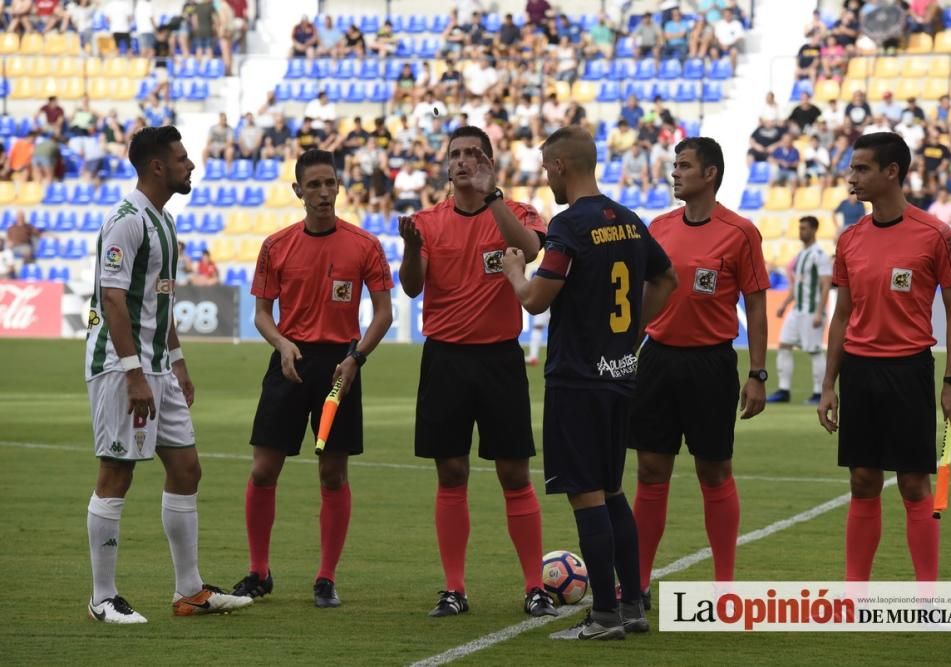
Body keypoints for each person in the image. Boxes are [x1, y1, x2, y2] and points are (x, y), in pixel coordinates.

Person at [500, 126, 677, 639]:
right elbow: (667, 279)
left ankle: (603, 615)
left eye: (545, 167)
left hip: (578, 378)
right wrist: (630, 333)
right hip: (620, 375)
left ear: (558, 166)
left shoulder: (568, 226)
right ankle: (631, 606)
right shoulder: (627, 219)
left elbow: (536, 298)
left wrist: (515, 270)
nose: (545, 177)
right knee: (613, 491)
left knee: (586, 494)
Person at [83, 126, 253, 624]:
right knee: (117, 473)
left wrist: (177, 362)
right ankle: (102, 598)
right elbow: (112, 299)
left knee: (186, 468)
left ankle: (189, 591)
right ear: (158, 166)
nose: (190, 165)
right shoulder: (127, 221)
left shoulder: (164, 222)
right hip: (122, 367)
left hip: (157, 367)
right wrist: (135, 373)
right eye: (181, 158)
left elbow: (162, 301)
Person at [397, 126, 555, 619]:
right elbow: (411, 287)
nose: (463, 162)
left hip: (499, 358)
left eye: (473, 154)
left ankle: (535, 586)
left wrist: (492, 198)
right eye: (456, 155)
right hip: (445, 358)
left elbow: (528, 249)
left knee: (513, 472)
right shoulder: (427, 221)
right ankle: (454, 589)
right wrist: (408, 248)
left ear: (489, 163)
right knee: (452, 471)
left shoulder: (517, 211)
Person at [232, 150, 394, 607]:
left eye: (331, 183)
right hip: (290, 359)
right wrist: (281, 344)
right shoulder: (275, 245)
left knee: (332, 473)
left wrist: (357, 358)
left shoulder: (364, 245)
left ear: (339, 187)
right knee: (264, 470)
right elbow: (262, 314)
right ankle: (258, 571)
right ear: (298, 191)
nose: (324, 192)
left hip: (341, 366)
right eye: (315, 185)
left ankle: (326, 577)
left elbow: (384, 313)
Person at [818, 132, 951, 583]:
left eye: (862, 168)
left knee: (913, 484)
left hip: (909, 370)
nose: (852, 178)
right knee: (862, 480)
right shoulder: (849, 239)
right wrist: (828, 384)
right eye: (851, 168)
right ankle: (854, 593)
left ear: (892, 172)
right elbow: (843, 315)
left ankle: (927, 595)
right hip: (859, 372)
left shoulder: (935, 234)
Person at [630, 137, 770, 609]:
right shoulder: (659, 227)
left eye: (684, 165)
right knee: (650, 470)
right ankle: (638, 583)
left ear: (709, 174)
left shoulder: (740, 231)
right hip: (657, 357)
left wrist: (758, 372)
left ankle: (723, 586)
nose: (675, 172)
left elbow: (755, 300)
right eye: (674, 164)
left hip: (710, 362)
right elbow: (644, 295)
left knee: (714, 471)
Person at [767, 216, 833, 405]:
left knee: (814, 351)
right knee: (784, 345)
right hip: (797, 310)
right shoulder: (802, 255)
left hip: (812, 311)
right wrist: (784, 304)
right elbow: (798, 286)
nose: (800, 231)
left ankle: (818, 393)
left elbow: (826, 285)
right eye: (800, 228)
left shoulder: (819, 256)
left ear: (813, 230)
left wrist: (820, 312)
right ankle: (783, 390)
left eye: (804, 228)